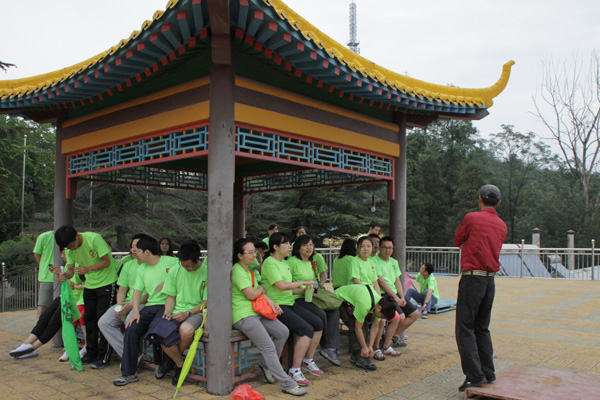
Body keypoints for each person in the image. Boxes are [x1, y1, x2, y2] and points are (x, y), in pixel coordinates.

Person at [232, 238, 307, 396]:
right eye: (250, 252)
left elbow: (261, 292)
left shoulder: (250, 271)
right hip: (243, 315)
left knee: (282, 331)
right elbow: (252, 294)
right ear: (240, 255)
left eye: (255, 252)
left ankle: (265, 364)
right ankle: (287, 383)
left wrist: (272, 304)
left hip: (256, 312)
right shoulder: (237, 270)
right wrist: (260, 288)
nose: (254, 255)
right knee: (268, 347)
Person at [454, 184, 507, 392]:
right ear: (499, 202)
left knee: (465, 327)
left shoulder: (472, 218)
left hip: (472, 278)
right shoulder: (502, 225)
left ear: (480, 199)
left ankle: (474, 375)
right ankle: (488, 372)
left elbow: (457, 240)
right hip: (489, 280)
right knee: (482, 327)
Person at [113, 236, 179, 386]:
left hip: (169, 305)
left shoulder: (170, 261)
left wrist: (167, 281)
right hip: (150, 305)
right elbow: (137, 292)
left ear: (147, 252)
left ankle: (165, 364)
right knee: (131, 328)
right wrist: (135, 312)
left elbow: (183, 272)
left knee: (157, 330)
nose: (136, 254)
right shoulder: (142, 268)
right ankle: (129, 373)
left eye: (139, 251)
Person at [261, 232, 323, 386]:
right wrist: (304, 281)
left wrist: (305, 289)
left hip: (289, 302)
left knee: (318, 323)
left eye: (290, 243)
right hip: (277, 306)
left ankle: (308, 360)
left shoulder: (284, 263)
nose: (290, 246)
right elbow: (281, 286)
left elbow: (289, 289)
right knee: (306, 330)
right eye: (286, 243)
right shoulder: (270, 263)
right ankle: (295, 370)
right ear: (275, 247)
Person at [54, 226, 119, 369]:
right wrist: (64, 275)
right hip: (90, 285)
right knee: (89, 319)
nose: (71, 248)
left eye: (72, 244)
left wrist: (88, 269)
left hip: (107, 283)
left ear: (77, 236)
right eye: (67, 247)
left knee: (103, 320)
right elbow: (71, 271)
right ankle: (91, 352)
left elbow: (107, 261)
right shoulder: (70, 250)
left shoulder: (94, 238)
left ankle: (104, 356)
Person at [9, 250, 84, 360]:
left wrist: (75, 286)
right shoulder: (68, 266)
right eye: (62, 254)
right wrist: (59, 274)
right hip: (65, 297)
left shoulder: (81, 266)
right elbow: (67, 283)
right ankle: (26, 344)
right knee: (44, 317)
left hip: (76, 300)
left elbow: (86, 285)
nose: (63, 256)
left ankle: (32, 348)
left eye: (65, 254)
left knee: (54, 322)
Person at [155, 240, 207, 386]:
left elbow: (205, 302)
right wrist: (167, 312)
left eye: (188, 266)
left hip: (197, 312)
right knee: (160, 332)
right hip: (176, 311)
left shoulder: (207, 272)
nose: (185, 268)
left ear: (198, 260)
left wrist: (187, 314)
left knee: (186, 330)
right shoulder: (175, 270)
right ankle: (179, 363)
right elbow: (170, 296)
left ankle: (170, 363)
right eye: (183, 265)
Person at [288, 235, 341, 366]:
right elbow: (287, 286)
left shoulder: (311, 262)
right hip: (297, 298)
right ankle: (325, 346)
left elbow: (318, 279)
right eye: (305, 245)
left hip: (311, 297)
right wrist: (303, 289)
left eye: (311, 244)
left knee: (334, 310)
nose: (309, 247)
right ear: (298, 248)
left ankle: (331, 348)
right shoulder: (292, 262)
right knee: (321, 314)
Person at [98, 234, 147, 361]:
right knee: (104, 322)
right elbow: (122, 289)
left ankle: (128, 359)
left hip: (144, 303)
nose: (134, 249)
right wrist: (120, 306)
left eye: (138, 246)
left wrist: (131, 306)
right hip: (128, 302)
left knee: (128, 323)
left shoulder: (151, 265)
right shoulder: (128, 265)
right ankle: (130, 355)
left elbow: (151, 294)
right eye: (132, 247)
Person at [334, 284, 397, 371]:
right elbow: (357, 328)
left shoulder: (380, 304)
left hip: (351, 301)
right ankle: (359, 356)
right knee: (353, 324)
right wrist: (364, 347)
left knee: (365, 324)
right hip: (339, 299)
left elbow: (375, 327)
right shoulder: (365, 304)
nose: (381, 318)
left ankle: (359, 354)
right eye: (382, 316)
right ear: (379, 308)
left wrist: (370, 346)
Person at [373, 236, 419, 355]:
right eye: (385, 248)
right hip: (385, 295)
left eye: (390, 248)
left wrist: (402, 297)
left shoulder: (394, 262)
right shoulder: (375, 261)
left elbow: (397, 280)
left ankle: (393, 336)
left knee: (415, 314)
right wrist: (396, 297)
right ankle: (386, 346)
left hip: (395, 294)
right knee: (400, 317)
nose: (387, 250)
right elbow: (381, 282)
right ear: (379, 248)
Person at [59, 270, 87, 362]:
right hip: (79, 299)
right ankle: (69, 348)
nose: (63, 256)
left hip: (88, 298)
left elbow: (91, 284)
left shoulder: (84, 265)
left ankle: (87, 346)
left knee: (82, 316)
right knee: (72, 317)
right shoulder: (70, 268)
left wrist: (76, 286)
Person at [33, 230, 54, 318]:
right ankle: (40, 327)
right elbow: (36, 254)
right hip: (47, 276)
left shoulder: (69, 236)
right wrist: (43, 265)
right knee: (43, 303)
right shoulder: (43, 237)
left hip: (65, 275)